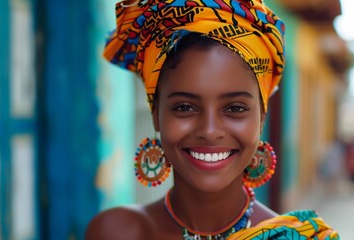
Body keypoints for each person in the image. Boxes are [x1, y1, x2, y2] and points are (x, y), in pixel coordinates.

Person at [86, 0, 340, 239]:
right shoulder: (116, 232)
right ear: (156, 116)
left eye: (235, 108)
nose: (209, 130)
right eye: (185, 107)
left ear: (261, 118)